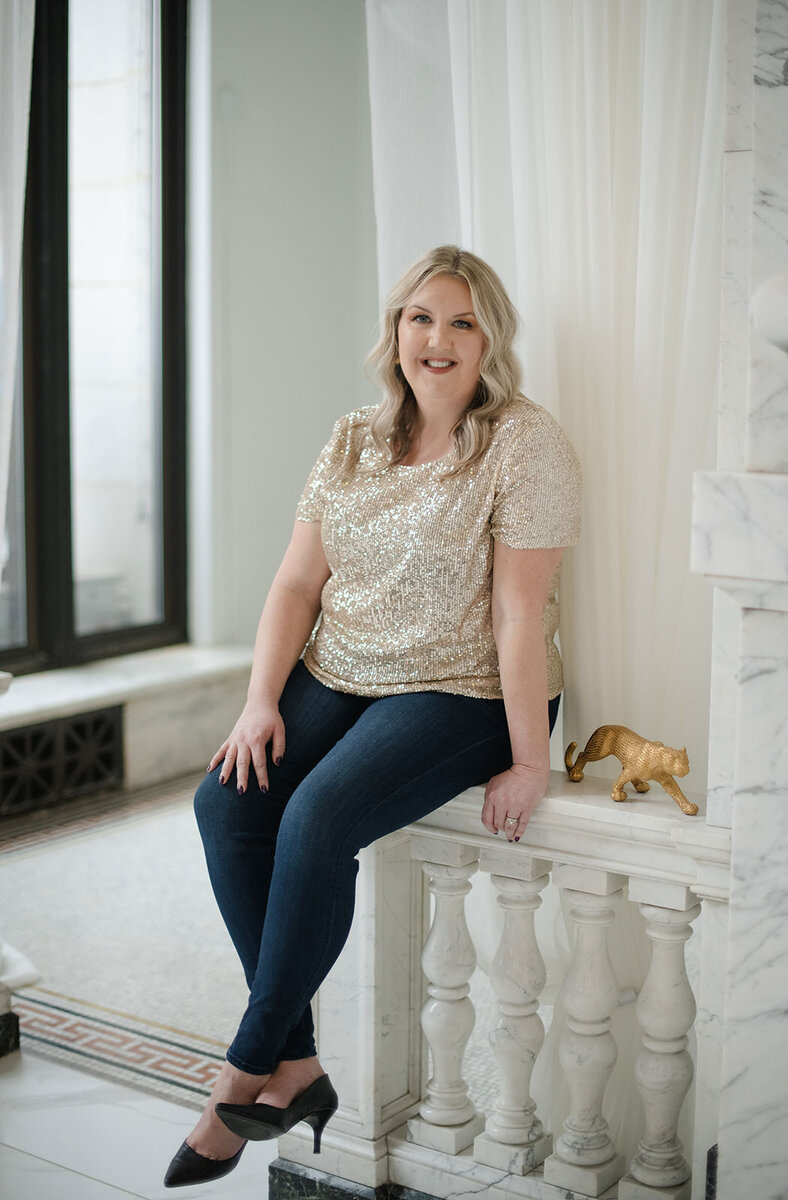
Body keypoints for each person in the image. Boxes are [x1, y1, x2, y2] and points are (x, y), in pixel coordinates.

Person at [163, 245, 581, 1187]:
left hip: (464, 684)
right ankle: (299, 1066)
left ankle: (243, 1068)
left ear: (490, 342)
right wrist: (259, 700)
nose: (437, 339)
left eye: (463, 322)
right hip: (343, 666)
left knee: (315, 820)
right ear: (395, 332)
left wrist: (529, 758)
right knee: (228, 805)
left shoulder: (526, 442)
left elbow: (519, 614)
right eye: (421, 317)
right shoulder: (354, 436)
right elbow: (297, 580)